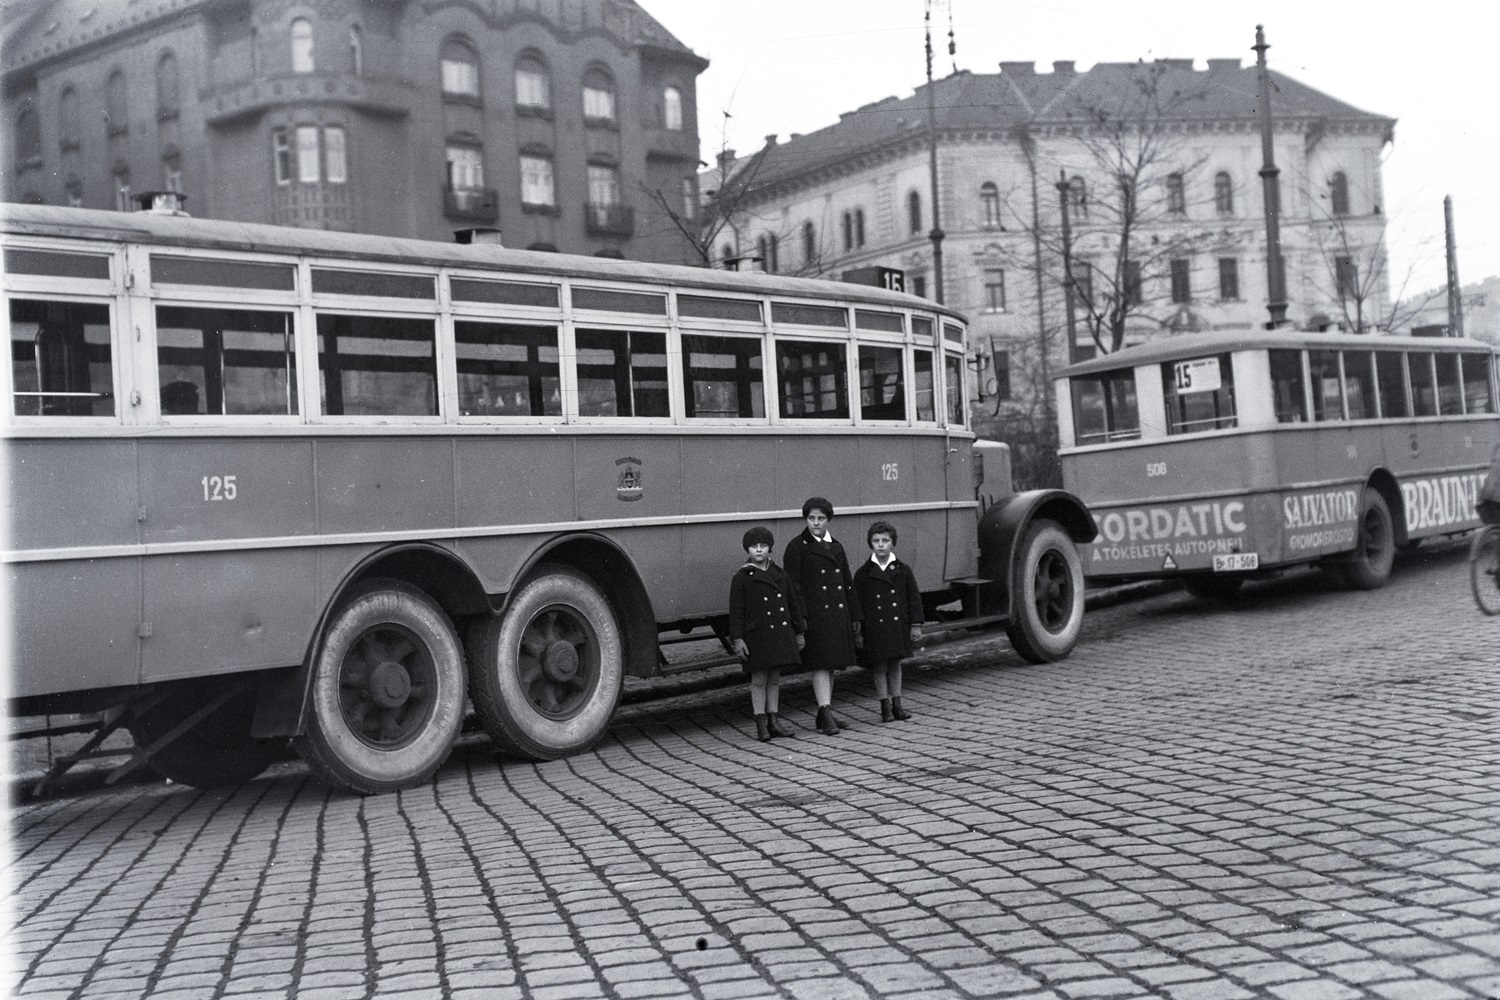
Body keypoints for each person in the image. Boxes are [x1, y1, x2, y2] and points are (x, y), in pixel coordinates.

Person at [782, 497, 861, 736]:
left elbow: (847, 582)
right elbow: (793, 587)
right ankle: (825, 713)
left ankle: (824, 712)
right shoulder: (796, 547)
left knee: (832, 663)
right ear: (806, 519)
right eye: (811, 518)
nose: (816, 523)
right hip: (814, 616)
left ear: (828, 520)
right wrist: (800, 619)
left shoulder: (836, 546)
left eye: (821, 518)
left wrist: (855, 614)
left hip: (837, 614)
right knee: (820, 664)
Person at [727, 527, 804, 742]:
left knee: (775, 679)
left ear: (770, 548)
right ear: (748, 549)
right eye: (754, 547)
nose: (759, 550)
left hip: (779, 633)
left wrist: (799, 631)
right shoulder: (742, 577)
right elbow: (736, 612)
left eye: (763, 546)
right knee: (759, 679)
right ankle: (760, 723)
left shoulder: (780, 573)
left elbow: (792, 604)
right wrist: (738, 638)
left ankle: (774, 721)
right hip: (756, 637)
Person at [852, 520, 924, 722]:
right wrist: (858, 632)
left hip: (897, 625)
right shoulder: (863, 573)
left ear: (893, 544)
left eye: (885, 540)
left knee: (895, 664)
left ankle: (897, 704)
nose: (881, 545)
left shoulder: (903, 570)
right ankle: (884, 706)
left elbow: (913, 598)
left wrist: (916, 625)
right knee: (879, 666)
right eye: (876, 541)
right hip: (875, 628)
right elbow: (857, 603)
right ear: (870, 544)